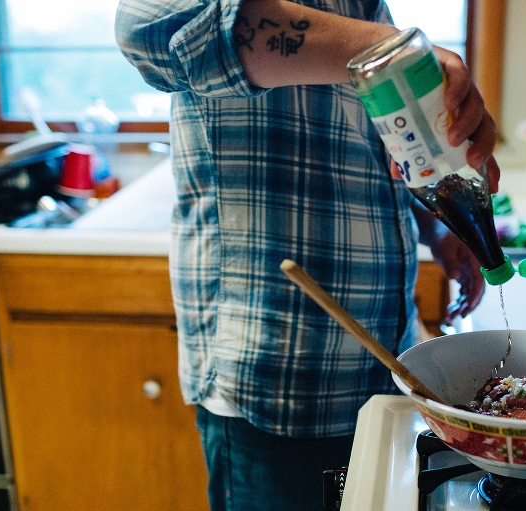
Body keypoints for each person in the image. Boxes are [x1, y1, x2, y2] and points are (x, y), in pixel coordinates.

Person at [115, 1, 500, 509]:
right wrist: (386, 51)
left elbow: (386, 141)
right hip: (280, 384)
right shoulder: (365, 28)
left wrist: (437, 224)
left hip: (385, 373)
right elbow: (150, 27)